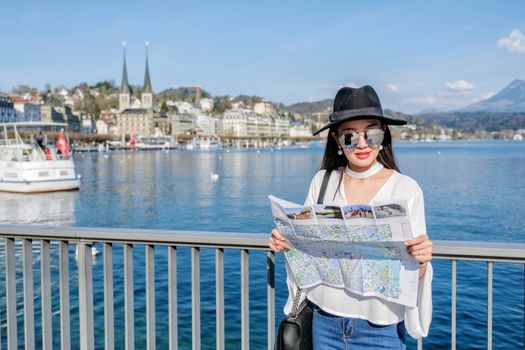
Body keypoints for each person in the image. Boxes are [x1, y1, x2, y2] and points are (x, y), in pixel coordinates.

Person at [269, 85, 432, 349]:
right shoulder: (322, 181)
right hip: (324, 323)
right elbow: (306, 249)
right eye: (350, 137)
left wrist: (422, 261)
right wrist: (285, 241)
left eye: (372, 133)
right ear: (336, 140)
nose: (363, 144)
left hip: (380, 332)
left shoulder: (406, 189)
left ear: (384, 135)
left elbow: (414, 268)